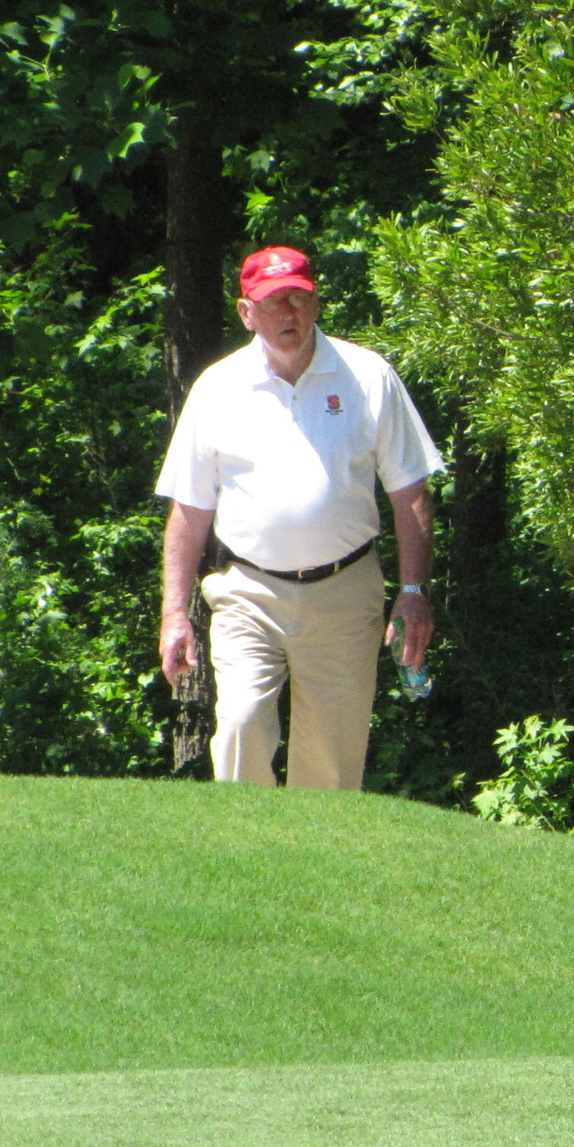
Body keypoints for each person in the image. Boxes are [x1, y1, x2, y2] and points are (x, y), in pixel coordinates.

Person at [155, 246, 445, 790]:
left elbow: (411, 492)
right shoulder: (218, 388)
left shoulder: (367, 375)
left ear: (315, 302)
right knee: (240, 728)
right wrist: (175, 613)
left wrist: (413, 588)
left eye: (298, 298)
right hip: (248, 592)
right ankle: (246, 865)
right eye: (272, 303)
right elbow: (189, 511)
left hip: (345, 592)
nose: (288, 314)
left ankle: (315, 871)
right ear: (247, 313)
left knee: (330, 765)